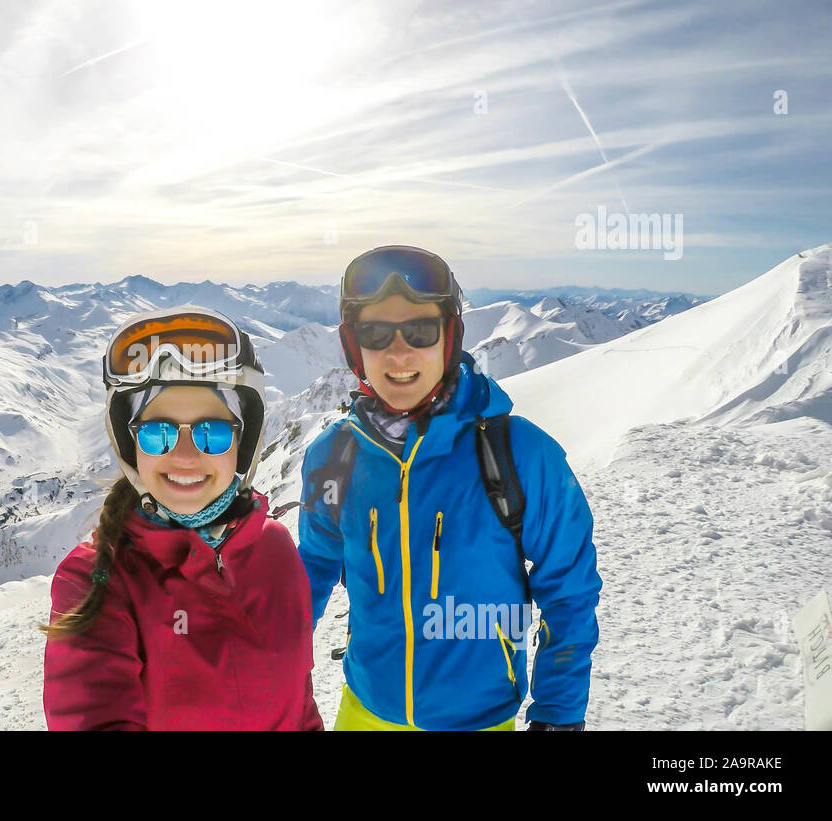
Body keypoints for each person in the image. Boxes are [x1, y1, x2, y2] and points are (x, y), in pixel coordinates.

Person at [298, 245, 602, 731]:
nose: (398, 353)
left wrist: (560, 715)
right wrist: (268, 669)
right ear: (355, 347)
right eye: (376, 333)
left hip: (480, 720)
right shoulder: (333, 456)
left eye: (419, 330)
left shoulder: (520, 454)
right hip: (365, 711)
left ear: (450, 337)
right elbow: (311, 570)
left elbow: (569, 592)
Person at [42, 306, 324, 730]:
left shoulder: (275, 548)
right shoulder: (94, 579)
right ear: (131, 444)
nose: (186, 456)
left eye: (212, 432)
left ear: (242, 443)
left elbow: (299, 705)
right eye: (159, 433)